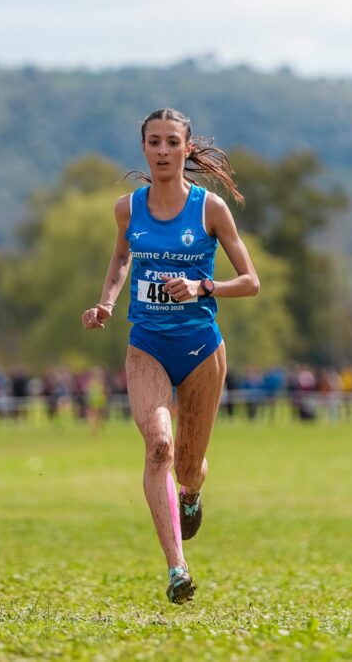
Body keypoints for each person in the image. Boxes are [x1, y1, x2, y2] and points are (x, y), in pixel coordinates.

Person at [81, 108, 260, 604]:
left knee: (187, 464)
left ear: (186, 148)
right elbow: (120, 258)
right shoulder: (127, 209)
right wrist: (106, 303)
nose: (162, 151)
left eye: (171, 142)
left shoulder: (211, 210)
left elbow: (251, 281)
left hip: (202, 348)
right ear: (144, 149)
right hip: (147, 347)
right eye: (153, 142)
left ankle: (192, 492)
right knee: (158, 444)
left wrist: (204, 285)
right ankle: (178, 568)